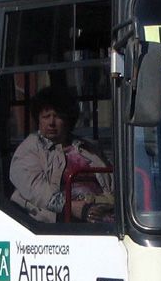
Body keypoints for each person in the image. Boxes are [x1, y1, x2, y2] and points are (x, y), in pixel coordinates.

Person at [10, 86, 113, 223]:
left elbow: (112, 181)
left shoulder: (88, 148)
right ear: (38, 120)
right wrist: (71, 207)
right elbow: (35, 188)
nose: (51, 123)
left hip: (100, 217)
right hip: (52, 225)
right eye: (46, 117)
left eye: (57, 116)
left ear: (68, 119)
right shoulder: (30, 148)